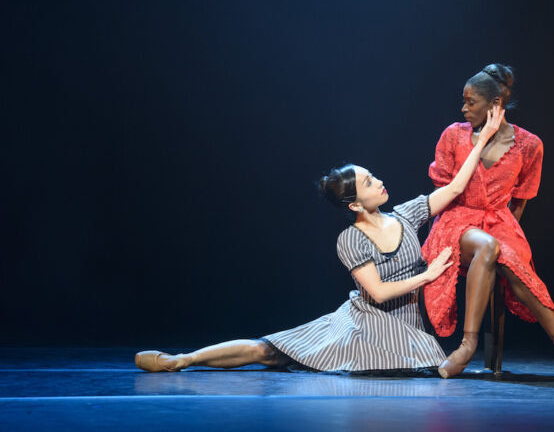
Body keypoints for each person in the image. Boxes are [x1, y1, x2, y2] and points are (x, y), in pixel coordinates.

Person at [134, 107, 506, 373]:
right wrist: (427, 277)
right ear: (355, 203)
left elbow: (455, 187)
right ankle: (182, 360)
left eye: (372, 175)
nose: (378, 182)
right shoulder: (350, 239)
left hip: (404, 328)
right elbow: (376, 293)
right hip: (363, 325)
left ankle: (185, 360)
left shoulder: (407, 215)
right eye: (368, 182)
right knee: (270, 351)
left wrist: (484, 138)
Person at [421, 63, 554, 379]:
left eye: (471, 101)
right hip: (456, 220)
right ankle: (467, 344)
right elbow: (444, 191)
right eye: (463, 101)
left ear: (495, 105)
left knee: (503, 252)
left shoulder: (530, 145)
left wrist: (509, 233)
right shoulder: (454, 136)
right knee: (489, 247)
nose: (464, 108)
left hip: (499, 222)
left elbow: (519, 201)